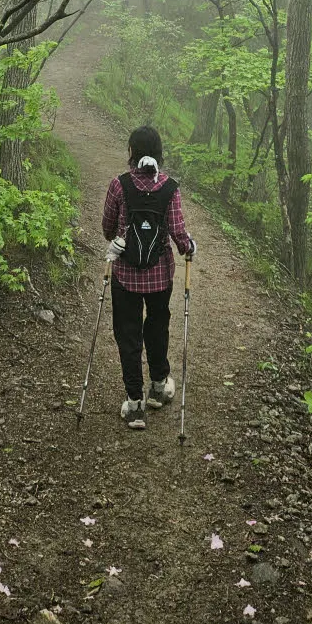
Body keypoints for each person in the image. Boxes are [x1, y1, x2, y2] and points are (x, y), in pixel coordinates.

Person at [101, 124, 196, 430]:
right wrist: (189, 247)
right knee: (157, 327)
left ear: (131, 152)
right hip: (160, 277)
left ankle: (134, 404)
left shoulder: (119, 185)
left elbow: (107, 228)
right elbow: (179, 233)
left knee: (128, 335)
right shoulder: (170, 188)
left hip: (125, 276)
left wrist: (120, 236)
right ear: (159, 153)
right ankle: (158, 386)